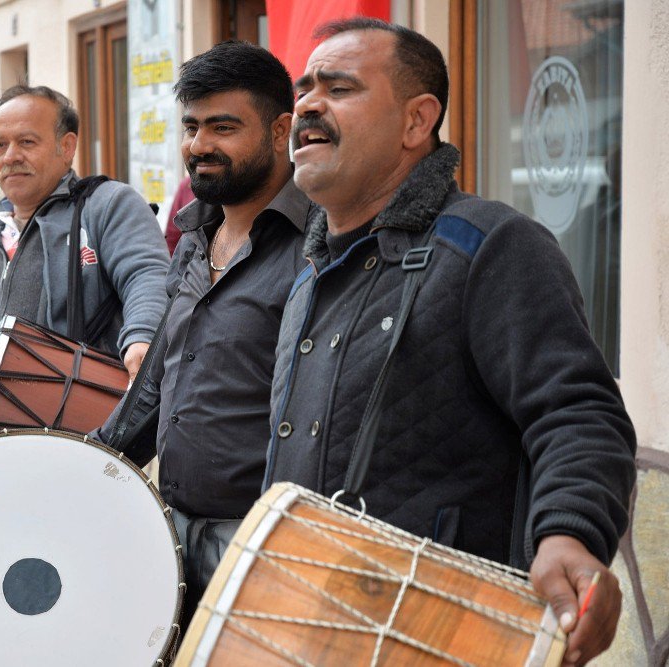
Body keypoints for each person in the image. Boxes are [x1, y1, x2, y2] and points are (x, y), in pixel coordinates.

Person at [266, 18, 636, 666]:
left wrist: (570, 533)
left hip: (445, 639)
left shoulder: (489, 245)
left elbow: (578, 413)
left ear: (416, 122)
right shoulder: (307, 276)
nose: (309, 107)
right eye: (304, 90)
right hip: (311, 630)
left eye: (339, 87)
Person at [96, 41, 314, 630]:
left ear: (280, 131)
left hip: (263, 545)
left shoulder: (320, 247)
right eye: (191, 126)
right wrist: (90, 464)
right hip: (171, 527)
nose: (199, 145)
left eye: (223, 126)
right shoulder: (194, 235)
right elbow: (158, 379)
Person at [0, 85, 169, 421]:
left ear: (66, 147)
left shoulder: (106, 205)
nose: (10, 156)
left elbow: (147, 275)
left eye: (27, 142)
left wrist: (142, 337)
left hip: (70, 439)